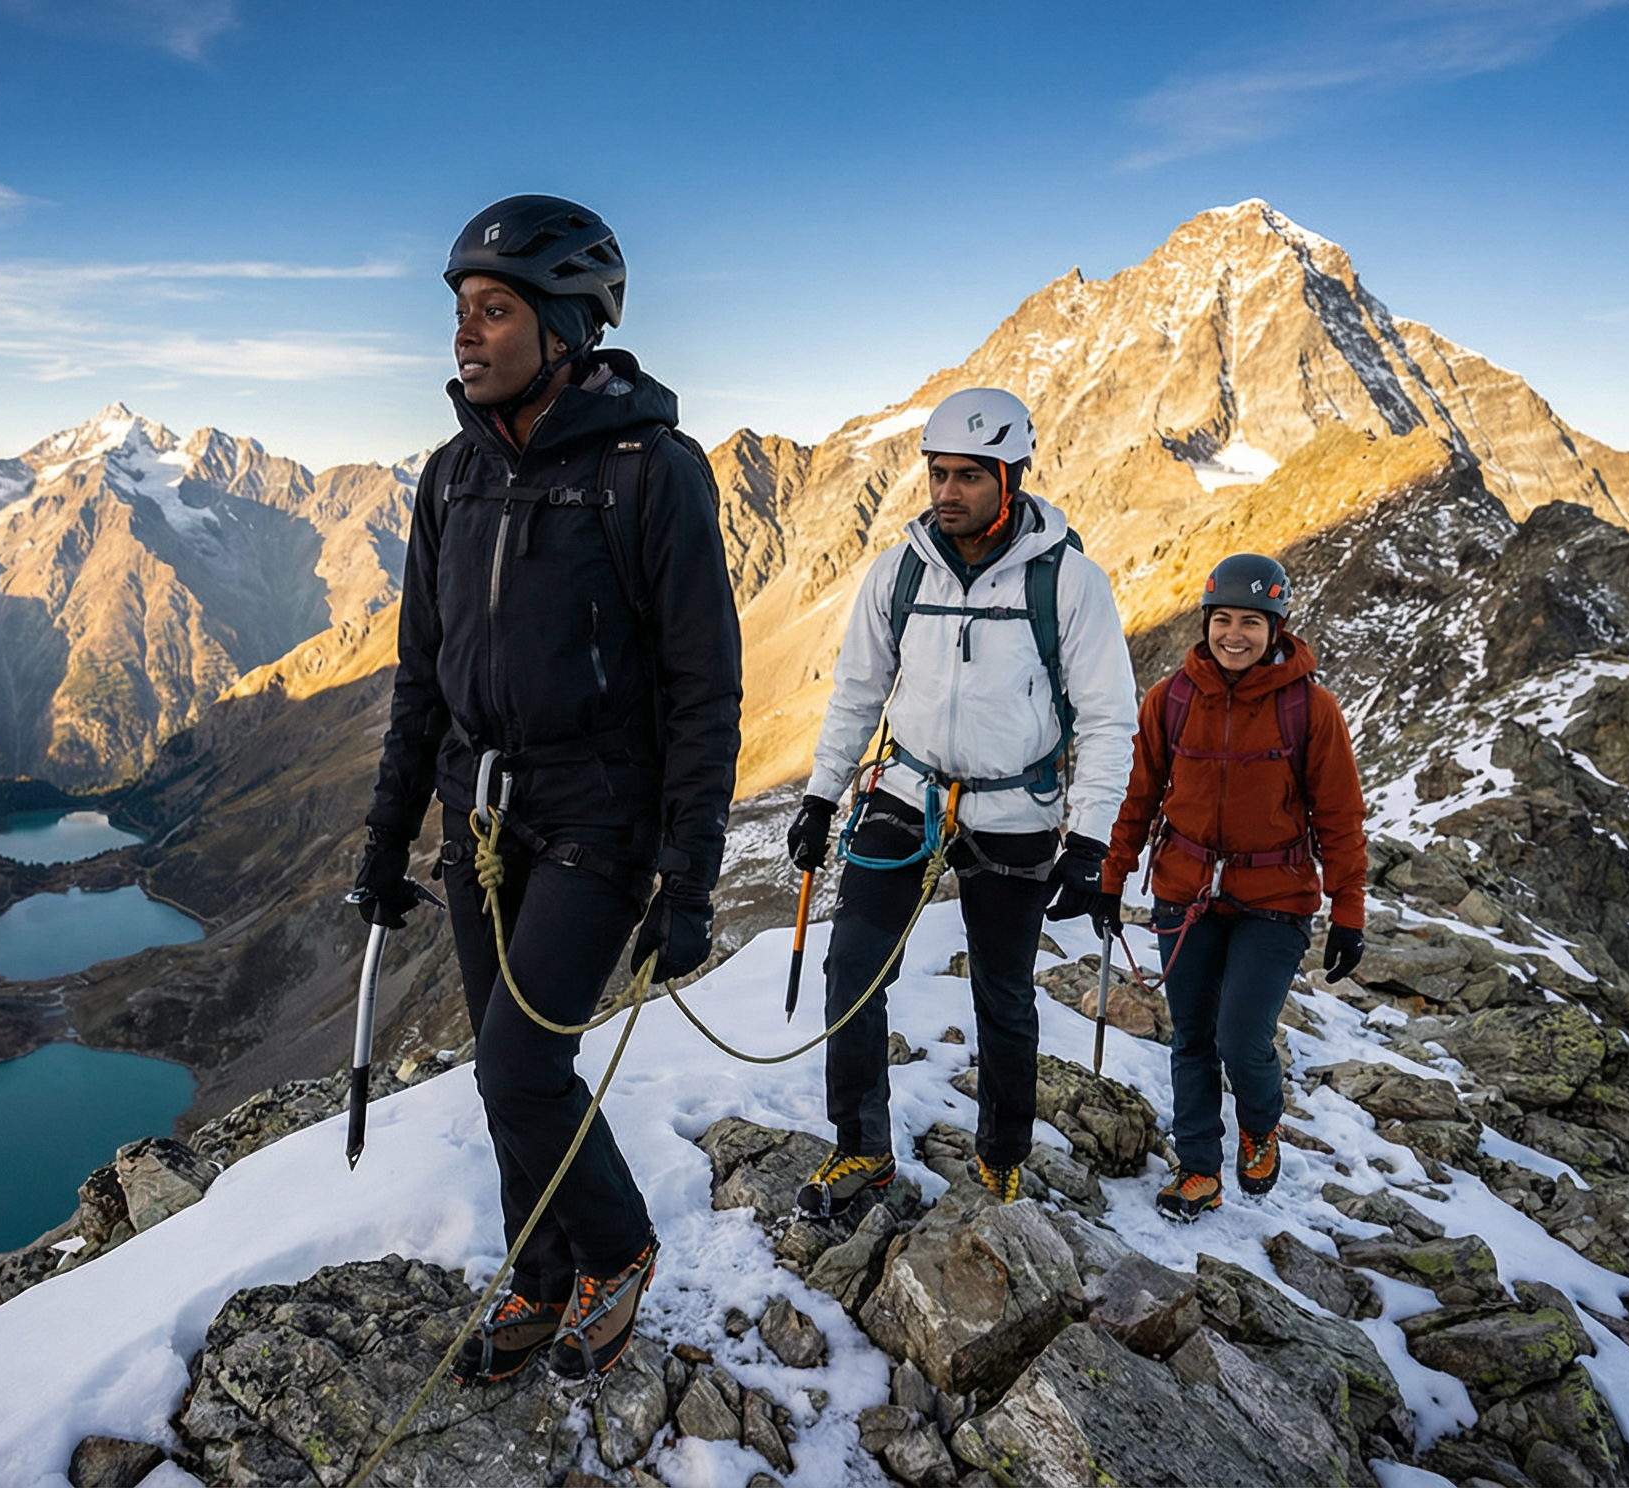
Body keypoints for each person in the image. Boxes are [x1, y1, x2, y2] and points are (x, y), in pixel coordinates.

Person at [355, 194, 740, 1384]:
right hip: (478, 815)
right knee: (503, 1068)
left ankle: (614, 1252)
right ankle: (539, 1273)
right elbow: (422, 673)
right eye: (461, 310)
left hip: (597, 815)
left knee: (519, 1071)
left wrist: (690, 873)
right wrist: (383, 839)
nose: (465, 333)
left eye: (495, 309)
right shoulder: (449, 475)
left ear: (566, 324)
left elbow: (700, 684)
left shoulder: (652, 473)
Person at [784, 386, 1138, 1217]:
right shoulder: (901, 568)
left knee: (1003, 994)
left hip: (1015, 810)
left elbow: (1109, 719)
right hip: (905, 792)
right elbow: (857, 691)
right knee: (852, 973)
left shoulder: (1071, 582)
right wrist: (819, 795)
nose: (947, 492)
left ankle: (1002, 1154)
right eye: (939, 474)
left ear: (1011, 478)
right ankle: (861, 1149)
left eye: (969, 476)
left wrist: (1089, 842)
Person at [1095, 552, 1367, 1223]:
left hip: (1274, 901)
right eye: (1223, 620)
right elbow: (1140, 797)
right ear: (1206, 622)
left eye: (1252, 620)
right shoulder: (1172, 700)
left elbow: (1339, 814)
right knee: (1190, 1035)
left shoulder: (1311, 710)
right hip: (1184, 891)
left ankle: (1259, 1123)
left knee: (1241, 1034)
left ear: (1278, 625)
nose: (1235, 634)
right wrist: (1111, 878)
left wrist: (1349, 910)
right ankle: (1197, 1170)